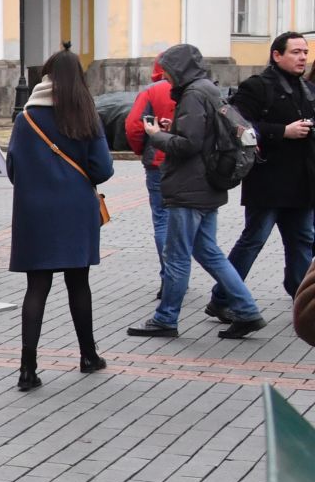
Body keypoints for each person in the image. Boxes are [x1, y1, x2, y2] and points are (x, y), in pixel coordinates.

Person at [129, 43, 267, 339]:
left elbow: (187, 145)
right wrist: (172, 129)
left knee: (177, 255)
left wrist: (157, 135)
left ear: (179, 67)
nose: (164, 74)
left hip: (189, 188)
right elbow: (200, 136)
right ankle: (247, 310)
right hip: (207, 186)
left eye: (166, 68)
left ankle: (165, 319)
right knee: (209, 252)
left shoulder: (192, 94)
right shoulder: (208, 89)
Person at [7, 50, 114, 390]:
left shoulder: (26, 118)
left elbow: (12, 168)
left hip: (34, 211)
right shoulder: (85, 114)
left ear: (46, 75)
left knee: (36, 287)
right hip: (75, 209)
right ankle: (88, 355)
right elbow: (104, 169)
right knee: (78, 282)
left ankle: (27, 369)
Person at [215, 32, 315, 321]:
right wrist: (282, 131)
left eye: (305, 52)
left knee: (302, 242)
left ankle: (302, 301)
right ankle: (222, 297)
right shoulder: (257, 87)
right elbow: (237, 125)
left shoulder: (307, 89)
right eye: (295, 52)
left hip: (302, 184)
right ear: (277, 55)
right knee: (253, 240)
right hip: (268, 181)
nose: (302, 58)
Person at [124, 60, 176, 295]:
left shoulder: (151, 92)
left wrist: (142, 150)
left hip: (157, 163)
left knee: (162, 219)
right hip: (188, 164)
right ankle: (180, 272)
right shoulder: (196, 88)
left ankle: (169, 277)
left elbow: (134, 126)